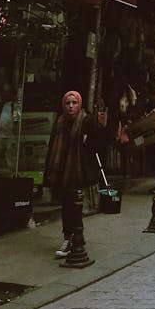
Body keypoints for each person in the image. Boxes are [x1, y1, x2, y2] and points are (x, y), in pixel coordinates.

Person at [44, 91, 105, 259]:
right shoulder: (60, 122)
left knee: (75, 206)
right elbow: (53, 149)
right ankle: (69, 238)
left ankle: (76, 239)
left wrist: (91, 137)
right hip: (63, 171)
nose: (71, 106)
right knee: (66, 206)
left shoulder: (86, 121)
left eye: (74, 103)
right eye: (68, 103)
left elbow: (96, 146)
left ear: (80, 104)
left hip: (78, 170)